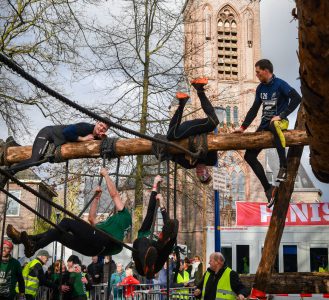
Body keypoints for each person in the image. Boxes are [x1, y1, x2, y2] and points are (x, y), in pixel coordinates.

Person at [7, 167, 132, 258]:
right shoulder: (110, 223)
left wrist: (106, 175)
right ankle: (30, 243)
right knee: (57, 233)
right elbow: (92, 220)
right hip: (91, 250)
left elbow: (115, 195)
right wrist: (97, 199)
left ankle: (32, 242)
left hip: (101, 240)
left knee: (66, 222)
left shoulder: (125, 216)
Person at [234, 59, 302, 208]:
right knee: (249, 156)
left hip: (280, 122)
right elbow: (254, 108)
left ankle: (283, 166)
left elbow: (297, 98)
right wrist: (243, 127)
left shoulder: (280, 84)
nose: (256, 75)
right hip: (265, 124)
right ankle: (268, 188)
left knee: (273, 123)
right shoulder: (260, 89)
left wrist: (282, 115)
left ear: (266, 70)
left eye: (258, 72)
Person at [0, 121, 109, 188]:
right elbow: (67, 132)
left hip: (53, 138)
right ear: (96, 123)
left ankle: (14, 148)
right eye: (100, 125)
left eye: (104, 128)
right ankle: (8, 172)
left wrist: (104, 138)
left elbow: (105, 148)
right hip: (48, 133)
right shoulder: (85, 127)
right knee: (35, 160)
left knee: (37, 160)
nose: (101, 129)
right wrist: (82, 138)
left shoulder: (97, 137)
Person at [167, 78, 219, 184]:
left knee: (172, 136)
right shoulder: (212, 160)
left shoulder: (188, 164)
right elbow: (213, 141)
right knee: (214, 122)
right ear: (208, 171)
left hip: (187, 131)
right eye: (204, 174)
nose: (200, 173)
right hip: (197, 129)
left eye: (199, 176)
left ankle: (182, 104)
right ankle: (199, 89)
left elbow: (172, 153)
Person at [132, 175, 179, 279]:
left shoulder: (150, 236)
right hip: (142, 266)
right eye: (161, 233)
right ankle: (148, 265)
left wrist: (161, 202)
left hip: (154, 264)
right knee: (142, 241)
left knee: (169, 235)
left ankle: (166, 240)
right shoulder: (144, 233)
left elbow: (168, 223)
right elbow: (150, 211)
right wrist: (155, 185)